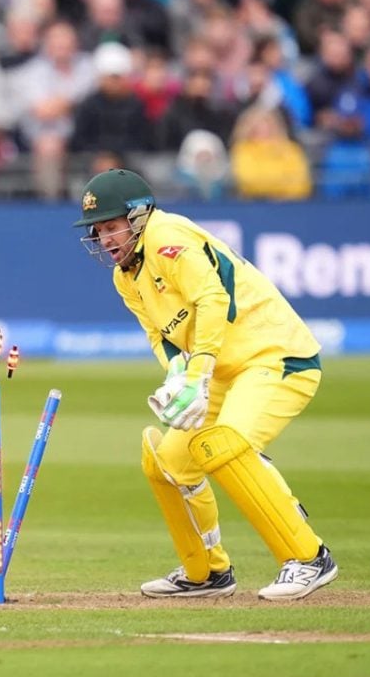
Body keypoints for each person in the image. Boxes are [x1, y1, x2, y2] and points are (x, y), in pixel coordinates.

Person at [72, 168, 338, 601]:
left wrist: (199, 374)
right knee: (169, 462)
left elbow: (213, 299)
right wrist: (178, 375)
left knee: (223, 443)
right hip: (221, 372)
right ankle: (207, 572)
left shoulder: (165, 237)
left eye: (111, 227)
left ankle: (309, 557)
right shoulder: (125, 277)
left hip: (275, 357)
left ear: (137, 217)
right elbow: (161, 335)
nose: (105, 239)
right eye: (98, 231)